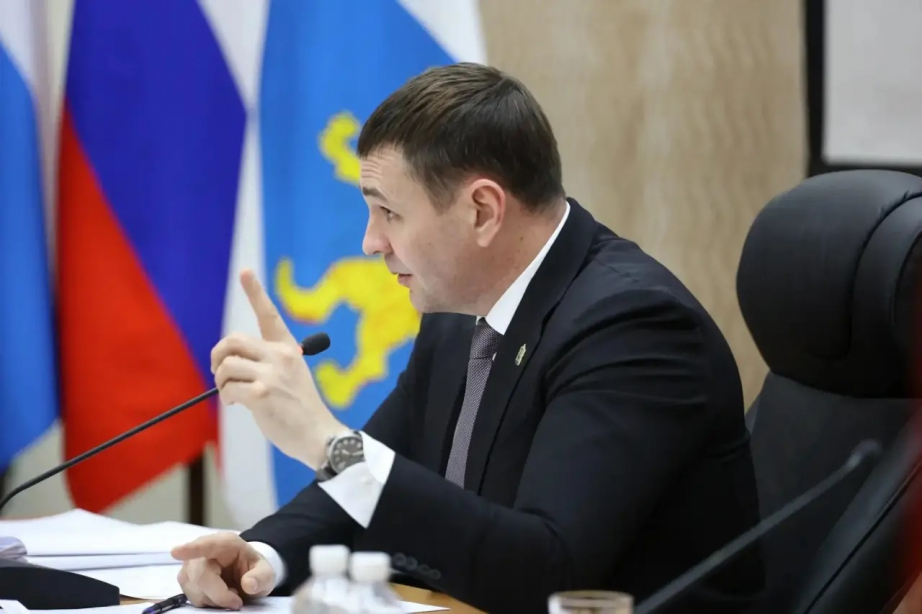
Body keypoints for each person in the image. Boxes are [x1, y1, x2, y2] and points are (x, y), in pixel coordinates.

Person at [171, 62, 765, 613]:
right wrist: (261, 556)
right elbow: (378, 476)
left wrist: (325, 442)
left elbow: (545, 571)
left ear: (482, 210)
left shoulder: (634, 330)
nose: (370, 243)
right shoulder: (459, 309)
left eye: (389, 213)